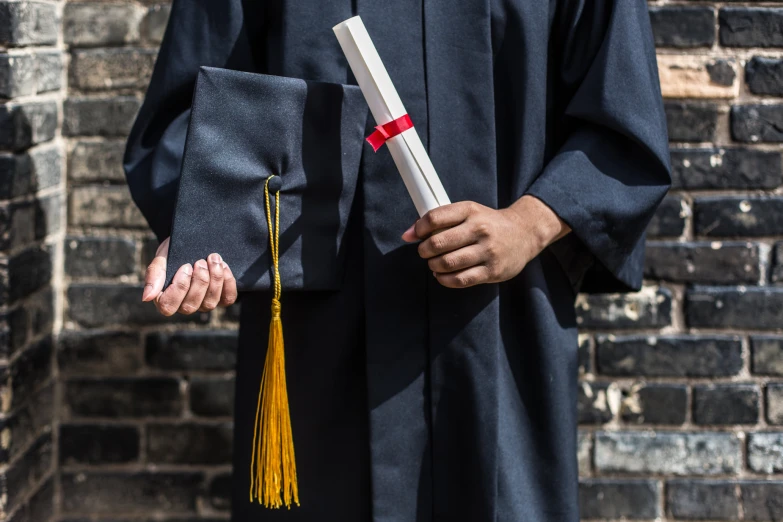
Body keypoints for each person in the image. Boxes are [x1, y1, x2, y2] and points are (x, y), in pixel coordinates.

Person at [124, 0, 670, 520]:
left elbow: (620, 123)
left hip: (499, 329)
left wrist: (529, 224)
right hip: (321, 336)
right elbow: (191, 117)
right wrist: (204, 227)